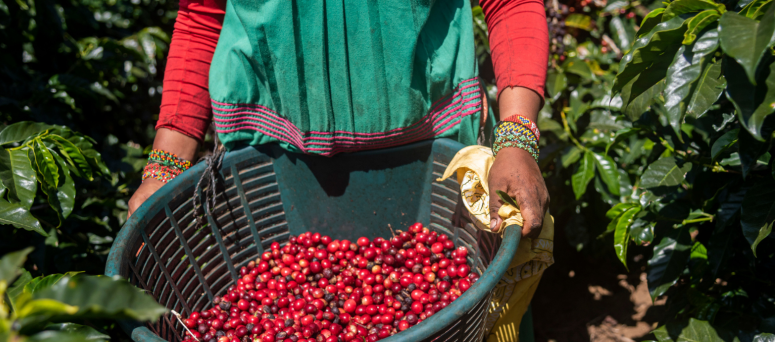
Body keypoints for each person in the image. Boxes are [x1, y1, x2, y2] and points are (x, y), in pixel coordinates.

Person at [127, 0, 549, 242]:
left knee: (449, 340)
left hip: (431, 160)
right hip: (273, 169)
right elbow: (202, 18)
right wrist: (165, 168)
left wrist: (517, 137)